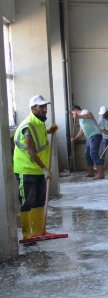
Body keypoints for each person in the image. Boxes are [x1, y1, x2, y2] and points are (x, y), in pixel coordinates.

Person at [13, 95, 59, 240]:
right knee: (28, 202)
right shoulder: (27, 125)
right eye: (42, 107)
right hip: (26, 170)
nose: (45, 109)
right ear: (33, 108)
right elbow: (32, 151)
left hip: (38, 169)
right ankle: (27, 235)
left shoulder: (39, 122)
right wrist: (45, 169)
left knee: (39, 201)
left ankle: (39, 232)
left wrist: (48, 132)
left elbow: (37, 139)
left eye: (46, 106)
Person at [71, 104, 105, 179]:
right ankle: (91, 172)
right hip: (89, 137)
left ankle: (101, 174)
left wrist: (79, 116)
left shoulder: (84, 111)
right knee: (87, 154)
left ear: (75, 111)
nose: (73, 115)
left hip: (95, 135)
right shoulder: (80, 120)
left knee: (93, 153)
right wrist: (75, 138)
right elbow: (81, 131)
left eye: (72, 113)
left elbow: (90, 115)